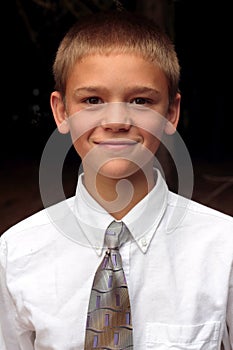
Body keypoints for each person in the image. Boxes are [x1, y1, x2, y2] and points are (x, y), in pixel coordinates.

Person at [0, 10, 232, 350]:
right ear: (61, 111)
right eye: (92, 100)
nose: (116, 120)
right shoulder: (15, 254)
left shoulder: (224, 251)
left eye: (141, 101)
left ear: (171, 112)